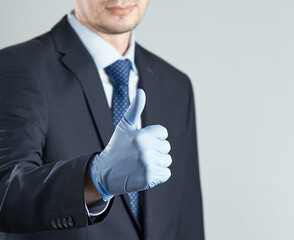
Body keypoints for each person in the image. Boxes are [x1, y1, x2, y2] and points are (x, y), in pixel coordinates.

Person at [0, 0, 204, 239]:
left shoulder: (175, 84)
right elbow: (6, 193)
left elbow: (187, 218)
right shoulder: (18, 66)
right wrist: (93, 180)